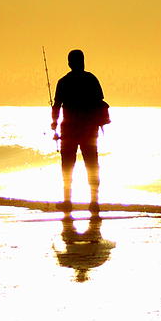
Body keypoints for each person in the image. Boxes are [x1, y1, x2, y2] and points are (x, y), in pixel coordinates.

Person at [51, 49, 106, 213]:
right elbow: (100, 102)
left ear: (69, 63)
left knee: (67, 165)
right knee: (92, 165)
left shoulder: (63, 82)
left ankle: (67, 201)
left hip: (69, 129)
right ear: (82, 61)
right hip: (89, 128)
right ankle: (94, 202)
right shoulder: (91, 79)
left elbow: (56, 105)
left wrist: (54, 124)